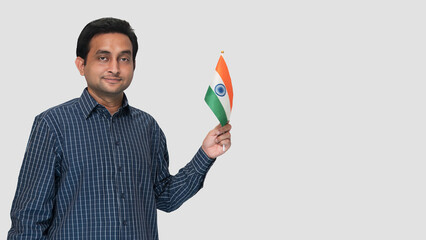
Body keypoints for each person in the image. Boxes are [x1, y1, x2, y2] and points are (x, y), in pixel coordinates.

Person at [8, 17, 231, 240]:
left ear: (134, 65)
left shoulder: (148, 127)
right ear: (81, 65)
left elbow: (166, 198)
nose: (114, 68)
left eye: (124, 58)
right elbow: (29, 219)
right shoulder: (52, 124)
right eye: (103, 58)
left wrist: (205, 154)